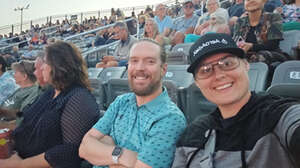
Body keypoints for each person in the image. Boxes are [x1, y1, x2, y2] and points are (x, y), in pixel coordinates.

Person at [171, 33, 300, 167]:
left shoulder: (278, 116)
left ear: (245, 65)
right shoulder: (193, 134)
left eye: (227, 63)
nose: (219, 75)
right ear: (197, 82)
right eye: (205, 70)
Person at [79, 39, 187, 168]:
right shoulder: (121, 102)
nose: (140, 68)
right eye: (134, 61)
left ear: (163, 69)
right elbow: (84, 147)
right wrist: (121, 155)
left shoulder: (170, 118)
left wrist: (105, 147)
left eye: (150, 61)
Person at [0, 41, 100, 168]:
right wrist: (5, 141)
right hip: (17, 155)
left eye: (45, 63)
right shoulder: (50, 93)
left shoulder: (79, 98)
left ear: (58, 66)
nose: (41, 68)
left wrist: (19, 164)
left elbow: (69, 152)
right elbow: (26, 122)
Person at [232, 0, 288, 64]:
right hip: (247, 55)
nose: (251, 1)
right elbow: (237, 43)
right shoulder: (240, 22)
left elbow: (273, 45)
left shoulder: (274, 17)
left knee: (260, 56)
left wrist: (251, 46)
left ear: (264, 1)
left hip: (271, 54)